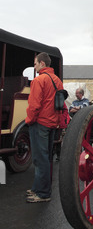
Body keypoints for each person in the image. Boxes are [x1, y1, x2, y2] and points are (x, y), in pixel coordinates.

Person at [25, 52, 64, 203]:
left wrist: (29, 120)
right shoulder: (57, 81)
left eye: (35, 64)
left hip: (40, 123)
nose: (34, 67)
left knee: (39, 158)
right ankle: (38, 188)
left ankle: (42, 193)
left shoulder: (38, 80)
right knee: (46, 158)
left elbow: (34, 105)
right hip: (52, 123)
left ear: (42, 64)